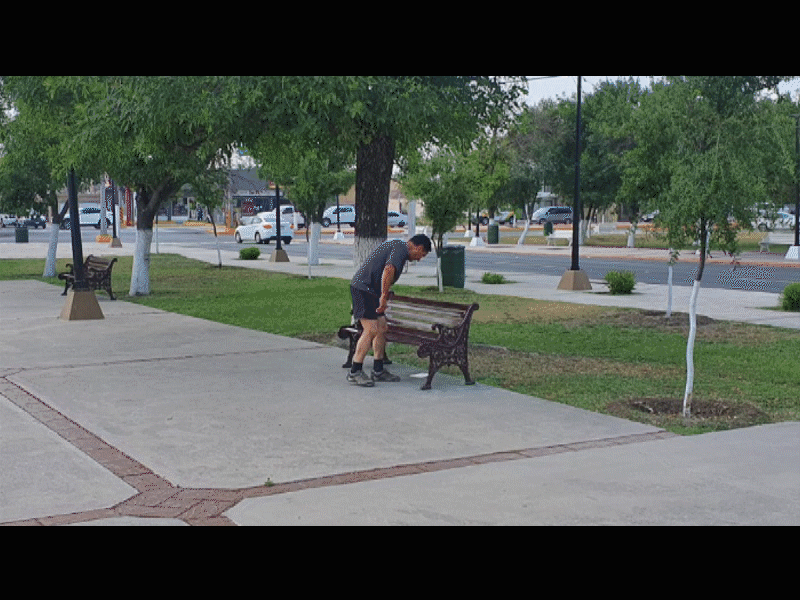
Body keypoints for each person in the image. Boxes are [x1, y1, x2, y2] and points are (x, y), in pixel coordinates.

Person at [347, 234, 432, 387]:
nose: (419, 259)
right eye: (422, 255)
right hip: (363, 289)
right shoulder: (401, 249)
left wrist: (381, 294)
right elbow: (389, 269)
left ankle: (378, 370)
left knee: (382, 327)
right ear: (418, 248)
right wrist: (384, 296)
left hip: (371, 291)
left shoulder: (397, 246)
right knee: (371, 329)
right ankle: (355, 371)